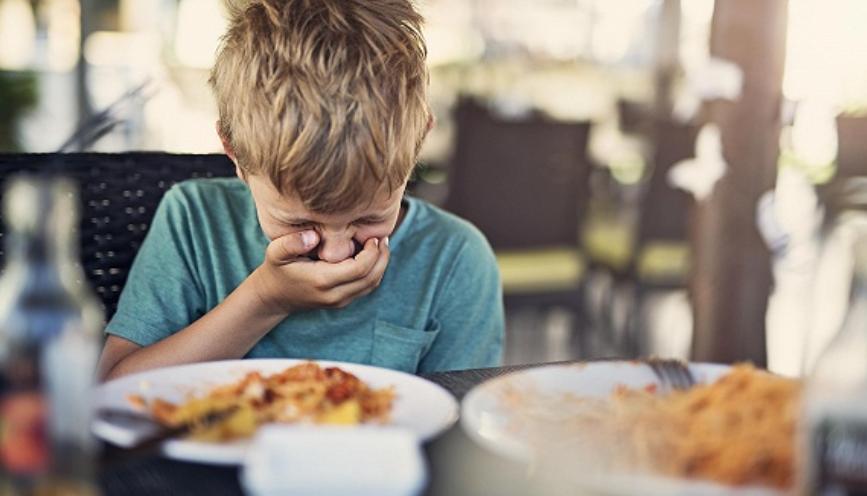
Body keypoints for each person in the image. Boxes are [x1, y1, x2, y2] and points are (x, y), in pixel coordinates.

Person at [97, 0, 504, 380]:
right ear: (234, 152)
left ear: (418, 143)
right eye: (299, 224)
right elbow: (116, 387)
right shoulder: (193, 221)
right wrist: (266, 299)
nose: (335, 254)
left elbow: (458, 426)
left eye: (368, 218)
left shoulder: (454, 260)